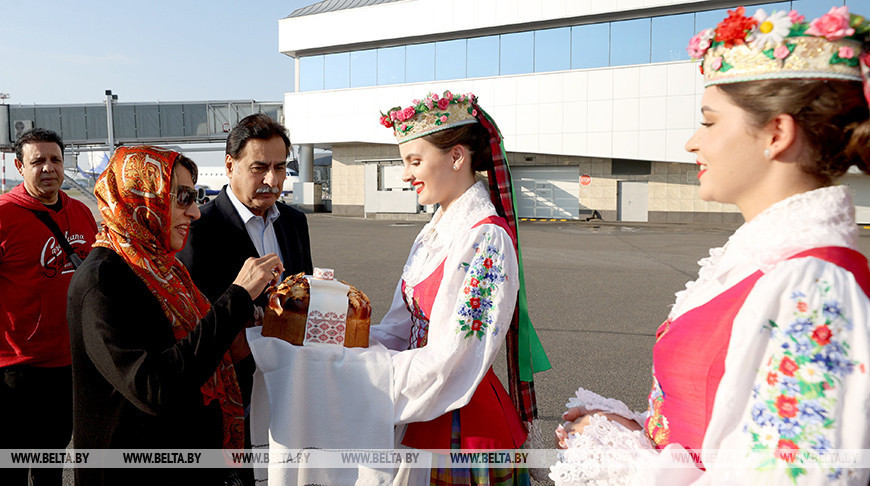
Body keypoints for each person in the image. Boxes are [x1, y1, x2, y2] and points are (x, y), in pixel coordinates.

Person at [551, 6, 870, 485]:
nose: (691, 143)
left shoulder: (814, 284)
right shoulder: (766, 260)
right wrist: (640, 431)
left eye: (709, 122)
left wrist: (622, 461)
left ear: (776, 134)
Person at [66, 145, 283, 485]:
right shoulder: (102, 279)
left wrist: (238, 341)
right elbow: (155, 387)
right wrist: (237, 296)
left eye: (194, 197)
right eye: (182, 198)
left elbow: (192, 353)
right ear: (142, 197)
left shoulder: (164, 267)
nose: (195, 212)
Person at [373, 90, 551, 485]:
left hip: (460, 421)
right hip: (421, 403)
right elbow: (399, 328)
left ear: (456, 157)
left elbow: (459, 354)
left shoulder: (486, 238)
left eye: (414, 161)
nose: (405, 175)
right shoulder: (433, 233)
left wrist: (372, 377)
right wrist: (345, 346)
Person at [177, 114, 313, 484]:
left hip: (288, 384)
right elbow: (191, 322)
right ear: (229, 165)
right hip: (231, 393)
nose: (272, 180)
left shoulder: (294, 222)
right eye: (259, 168)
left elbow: (306, 292)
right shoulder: (196, 229)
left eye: (281, 168)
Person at [0, 128, 98, 486]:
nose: (48, 168)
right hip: (16, 368)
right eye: (37, 160)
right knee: (11, 462)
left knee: (52, 461)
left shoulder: (83, 214)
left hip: (69, 364)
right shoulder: (4, 215)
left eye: (55, 159)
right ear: (18, 166)